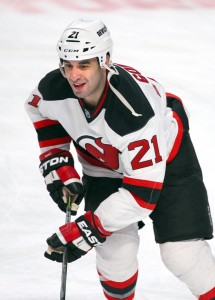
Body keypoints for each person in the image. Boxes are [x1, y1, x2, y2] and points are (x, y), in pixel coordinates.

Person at [25, 18, 215, 299]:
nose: (74, 75)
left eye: (84, 64)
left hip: (166, 163)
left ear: (105, 60)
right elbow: (39, 109)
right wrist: (57, 157)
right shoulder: (54, 88)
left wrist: (89, 228)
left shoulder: (134, 113)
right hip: (103, 167)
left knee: (182, 255)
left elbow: (142, 196)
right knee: (115, 255)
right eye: (67, 64)